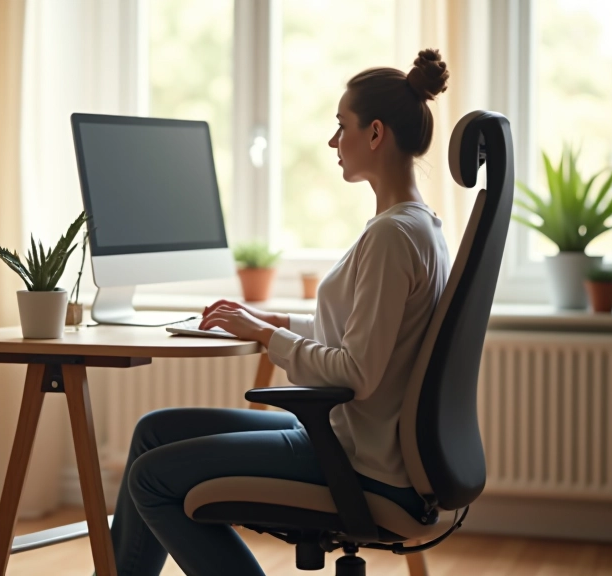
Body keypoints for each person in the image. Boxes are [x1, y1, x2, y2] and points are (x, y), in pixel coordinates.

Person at [106, 49, 452, 576]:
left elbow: (356, 372)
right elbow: (363, 337)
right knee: (154, 431)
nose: (334, 141)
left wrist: (268, 338)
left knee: (152, 478)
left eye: (342, 127)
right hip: (352, 441)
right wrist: (274, 325)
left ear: (376, 133)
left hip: (356, 459)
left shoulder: (392, 236)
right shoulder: (418, 226)